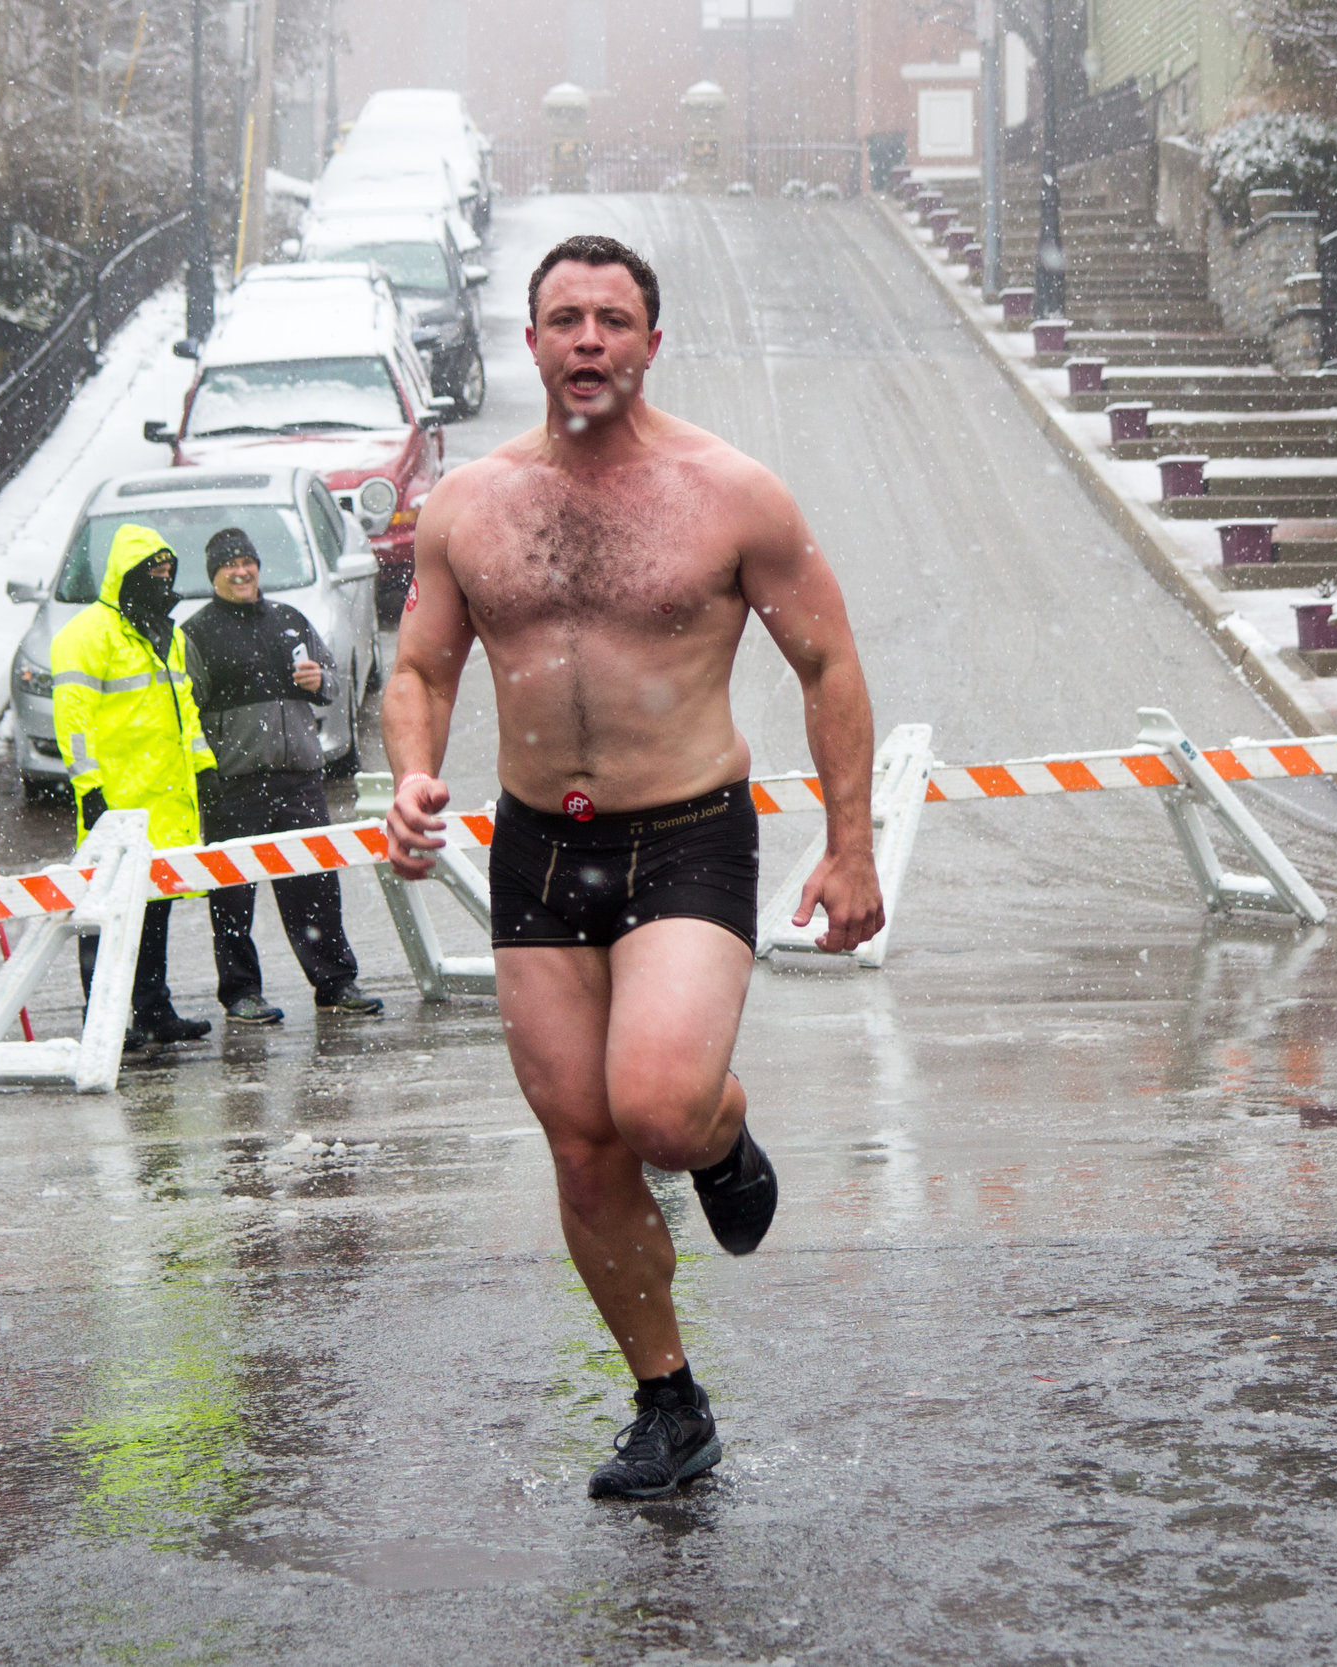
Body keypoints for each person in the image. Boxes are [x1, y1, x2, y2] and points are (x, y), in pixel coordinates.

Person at [382, 234, 884, 1500]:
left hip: (687, 833)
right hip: (540, 844)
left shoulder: (731, 493)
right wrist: (409, 771)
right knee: (584, 1143)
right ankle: (668, 1399)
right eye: (565, 319)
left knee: (655, 1107)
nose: (588, 339)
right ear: (532, 341)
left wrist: (850, 843)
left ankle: (719, 1131)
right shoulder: (470, 504)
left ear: (651, 343)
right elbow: (422, 668)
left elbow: (827, 662)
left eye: (613, 319)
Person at [181, 526, 383, 1024]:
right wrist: (208, 774)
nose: (241, 571)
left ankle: (335, 983)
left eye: (247, 561)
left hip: (300, 778)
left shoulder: (290, 621)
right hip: (235, 785)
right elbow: (186, 710)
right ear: (214, 575)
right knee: (232, 895)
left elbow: (335, 683)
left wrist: (322, 682)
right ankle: (241, 993)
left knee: (314, 885)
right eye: (229, 564)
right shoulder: (196, 634)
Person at [51, 522, 220, 1046]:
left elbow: (182, 707)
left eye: (169, 572)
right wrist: (90, 787)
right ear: (127, 576)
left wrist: (203, 765)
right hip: (118, 802)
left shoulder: (166, 633)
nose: (164, 581)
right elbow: (72, 721)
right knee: (106, 913)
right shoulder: (86, 637)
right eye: (155, 572)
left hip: (164, 799)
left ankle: (152, 1009)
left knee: (155, 911)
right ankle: (102, 1018)